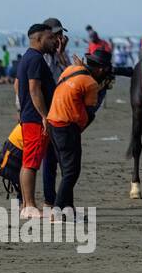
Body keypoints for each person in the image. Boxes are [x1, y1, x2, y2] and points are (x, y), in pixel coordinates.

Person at [46, 48, 114, 215]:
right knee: (72, 172)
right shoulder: (90, 84)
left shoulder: (71, 69)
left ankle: (68, 209)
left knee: (65, 168)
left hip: (52, 122)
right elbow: (90, 112)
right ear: (101, 69)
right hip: (67, 127)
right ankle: (57, 209)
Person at [12, 23, 60, 218]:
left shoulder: (30, 57)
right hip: (34, 118)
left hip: (30, 116)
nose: (54, 41)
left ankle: (26, 204)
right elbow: (34, 89)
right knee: (31, 162)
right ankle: (29, 206)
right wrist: (44, 116)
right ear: (39, 39)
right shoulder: (35, 59)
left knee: (29, 161)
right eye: (50, 38)